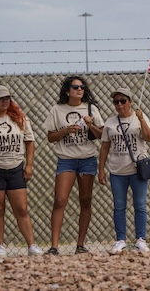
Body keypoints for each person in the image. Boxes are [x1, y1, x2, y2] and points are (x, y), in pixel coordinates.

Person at [43, 76, 104, 255]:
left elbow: (101, 135)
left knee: (85, 200)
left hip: (87, 159)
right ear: (67, 90)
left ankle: (80, 245)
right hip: (66, 159)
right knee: (60, 200)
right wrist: (65, 130)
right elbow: (50, 137)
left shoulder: (91, 109)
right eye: (75, 87)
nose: (79, 90)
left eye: (82, 87)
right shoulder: (57, 109)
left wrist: (90, 125)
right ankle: (54, 246)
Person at [0, 85, 44, 257]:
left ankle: (32, 245)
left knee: (21, 208)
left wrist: (29, 165)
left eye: (7, 98)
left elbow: (30, 142)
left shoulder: (20, 119)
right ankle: (0, 245)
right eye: (1, 98)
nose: (5, 101)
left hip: (15, 168)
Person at [98, 87, 150, 254]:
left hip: (138, 169)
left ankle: (140, 239)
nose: (120, 105)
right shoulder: (110, 123)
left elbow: (149, 137)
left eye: (123, 101)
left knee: (140, 205)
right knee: (119, 206)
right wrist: (101, 170)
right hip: (117, 170)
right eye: (116, 102)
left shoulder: (140, 118)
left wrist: (141, 119)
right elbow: (104, 147)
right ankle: (120, 240)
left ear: (130, 102)